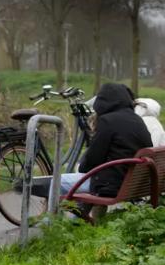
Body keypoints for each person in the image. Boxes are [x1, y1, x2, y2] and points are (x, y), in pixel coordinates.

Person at [57, 83, 152, 220]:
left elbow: (91, 161)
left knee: (56, 182)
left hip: (112, 185)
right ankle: (78, 223)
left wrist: (83, 167)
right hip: (133, 184)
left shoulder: (108, 121)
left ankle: (51, 226)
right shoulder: (137, 120)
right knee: (95, 181)